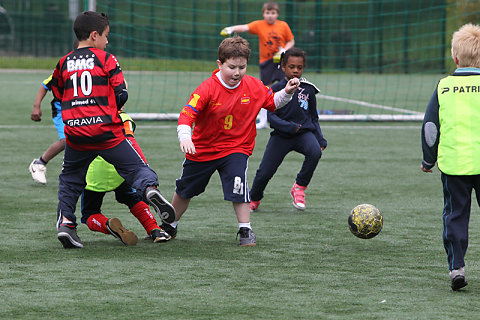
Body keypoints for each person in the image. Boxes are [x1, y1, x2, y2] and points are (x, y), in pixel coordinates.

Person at [160, 36, 300, 246]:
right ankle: (170, 226)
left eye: (242, 67)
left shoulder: (253, 85)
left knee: (238, 186)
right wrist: (185, 136)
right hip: (203, 149)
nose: (237, 72)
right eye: (232, 67)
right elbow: (187, 115)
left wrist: (287, 92)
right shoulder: (207, 88)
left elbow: (272, 102)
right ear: (220, 64)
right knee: (185, 190)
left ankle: (246, 230)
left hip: (236, 149)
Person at [51, 11, 175, 249]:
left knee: (70, 179)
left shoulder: (63, 62)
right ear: (95, 35)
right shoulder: (106, 59)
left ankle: (67, 224)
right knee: (137, 168)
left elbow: (58, 92)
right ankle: (149, 189)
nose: (107, 41)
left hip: (76, 133)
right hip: (106, 131)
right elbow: (121, 94)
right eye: (106, 36)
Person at [421, 23, 480, 291]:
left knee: (455, 216)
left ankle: (457, 268)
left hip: (455, 165)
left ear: (455, 57)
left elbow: (430, 127)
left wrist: (428, 159)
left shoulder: (444, 86)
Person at [249, 48, 327, 212]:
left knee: (315, 152)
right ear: (283, 67)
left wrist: (320, 138)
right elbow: (272, 118)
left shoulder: (308, 89)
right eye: (291, 67)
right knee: (264, 173)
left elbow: (313, 117)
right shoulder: (277, 88)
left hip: (303, 134)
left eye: (299, 67)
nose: (296, 71)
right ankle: (254, 198)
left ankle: (299, 187)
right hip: (281, 136)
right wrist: (290, 127)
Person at [81, 109, 171, 245]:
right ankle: (154, 229)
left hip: (95, 174)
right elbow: (129, 139)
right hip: (119, 169)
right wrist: (143, 167)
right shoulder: (124, 118)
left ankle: (108, 225)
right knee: (132, 198)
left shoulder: (88, 119)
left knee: (89, 212)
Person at [220, 1, 294, 129]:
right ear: (263, 14)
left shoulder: (283, 25)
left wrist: (284, 51)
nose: (270, 15)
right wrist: (231, 29)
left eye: (273, 13)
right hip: (266, 62)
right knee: (265, 90)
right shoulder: (259, 25)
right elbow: (244, 27)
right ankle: (263, 120)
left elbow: (291, 41)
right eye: (267, 13)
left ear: (277, 14)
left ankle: (286, 118)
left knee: (286, 87)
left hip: (282, 61)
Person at [29, 41, 79, 185]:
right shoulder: (66, 66)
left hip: (78, 109)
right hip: (61, 109)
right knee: (67, 139)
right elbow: (45, 84)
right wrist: (36, 106)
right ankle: (39, 163)